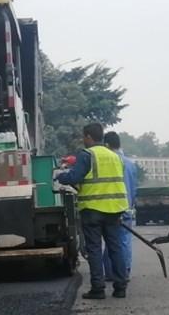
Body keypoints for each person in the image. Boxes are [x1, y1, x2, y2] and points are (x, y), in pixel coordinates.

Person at [55, 123, 130, 299]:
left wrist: (60, 176)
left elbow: (75, 177)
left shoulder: (87, 154)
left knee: (94, 248)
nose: (83, 140)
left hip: (93, 209)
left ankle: (98, 288)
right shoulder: (115, 156)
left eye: (84, 136)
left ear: (89, 136)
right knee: (115, 248)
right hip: (115, 208)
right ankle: (120, 287)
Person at [102, 131, 139, 279]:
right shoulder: (130, 164)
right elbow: (134, 188)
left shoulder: (108, 162)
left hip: (111, 207)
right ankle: (124, 270)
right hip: (127, 207)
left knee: (111, 239)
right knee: (124, 240)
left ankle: (112, 272)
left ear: (106, 145)